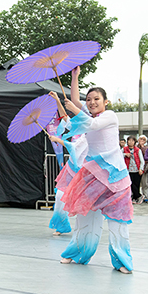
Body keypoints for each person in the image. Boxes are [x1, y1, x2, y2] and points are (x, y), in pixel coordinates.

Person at [55, 66, 133, 274]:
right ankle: (76, 253)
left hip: (114, 176)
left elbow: (90, 124)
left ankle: (123, 262)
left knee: (118, 222)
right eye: (88, 99)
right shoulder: (89, 114)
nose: (91, 102)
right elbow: (77, 103)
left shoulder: (109, 116)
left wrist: (73, 109)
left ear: (105, 101)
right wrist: (75, 77)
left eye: (96, 99)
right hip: (92, 176)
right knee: (84, 218)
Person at [47, 91, 88, 237]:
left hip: (83, 173)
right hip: (70, 170)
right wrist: (58, 100)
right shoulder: (77, 128)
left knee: (85, 201)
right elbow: (65, 118)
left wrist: (58, 140)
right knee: (59, 197)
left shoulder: (90, 131)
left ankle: (87, 227)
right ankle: (61, 226)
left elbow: (74, 148)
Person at [123, 136, 145, 204]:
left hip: (136, 169)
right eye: (129, 140)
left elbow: (142, 160)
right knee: (130, 184)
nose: (130, 142)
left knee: (136, 184)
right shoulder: (124, 149)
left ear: (135, 142)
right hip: (128, 170)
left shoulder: (138, 150)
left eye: (132, 141)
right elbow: (118, 155)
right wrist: (125, 154)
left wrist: (141, 169)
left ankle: (136, 198)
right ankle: (138, 196)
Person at [137, 135, 148, 201]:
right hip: (135, 167)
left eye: (143, 139)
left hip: (144, 168)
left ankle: (145, 196)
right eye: (140, 139)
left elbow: (147, 157)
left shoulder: (147, 148)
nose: (142, 141)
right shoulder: (135, 147)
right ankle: (137, 196)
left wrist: (142, 147)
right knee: (136, 183)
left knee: (145, 183)